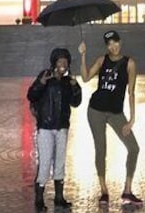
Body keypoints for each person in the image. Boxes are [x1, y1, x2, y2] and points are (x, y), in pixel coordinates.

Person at [79, 30, 142, 206]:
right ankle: (104, 191)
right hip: (96, 110)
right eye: (109, 44)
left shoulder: (129, 63)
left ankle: (127, 191)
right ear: (106, 46)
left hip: (116, 113)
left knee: (134, 148)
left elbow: (131, 92)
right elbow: (85, 77)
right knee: (101, 149)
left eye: (115, 42)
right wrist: (83, 55)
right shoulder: (101, 60)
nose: (113, 46)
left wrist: (131, 120)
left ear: (120, 42)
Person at [27, 47, 82, 211]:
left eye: (65, 61)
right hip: (45, 127)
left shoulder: (68, 81)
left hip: (62, 127)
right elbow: (31, 95)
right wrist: (41, 82)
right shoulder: (46, 76)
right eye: (60, 61)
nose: (63, 64)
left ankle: (59, 197)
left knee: (60, 163)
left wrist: (75, 86)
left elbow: (76, 102)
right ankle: (39, 198)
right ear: (54, 63)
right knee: (44, 163)